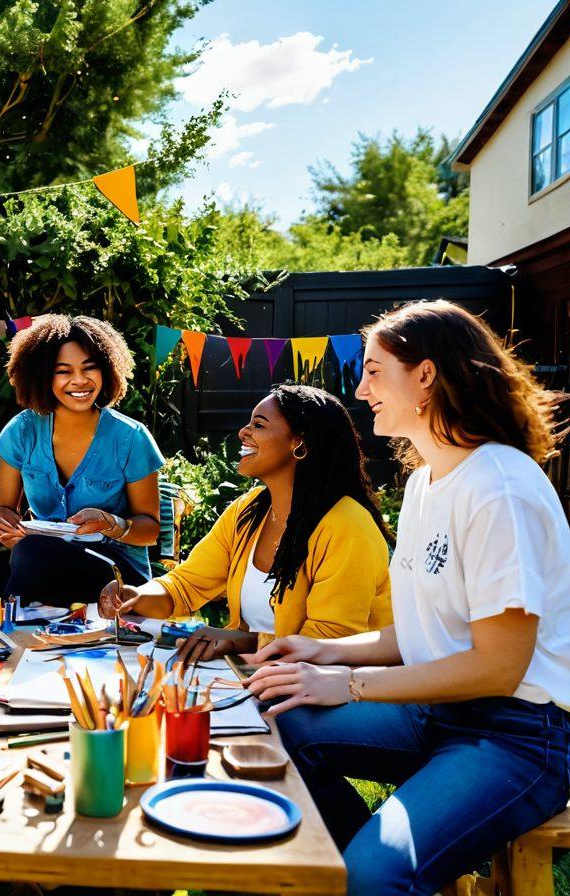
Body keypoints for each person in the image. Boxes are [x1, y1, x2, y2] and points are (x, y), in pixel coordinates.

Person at [244, 300, 570, 895]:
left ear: (425, 376)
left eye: (374, 371)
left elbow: (499, 667)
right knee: (281, 726)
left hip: (518, 735)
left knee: (378, 871)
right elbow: (421, 636)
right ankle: (351, 872)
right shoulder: (424, 481)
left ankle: (373, 873)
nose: (361, 387)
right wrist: (320, 653)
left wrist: (346, 684)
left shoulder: (499, 486)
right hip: (435, 712)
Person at [99, 384, 394, 652]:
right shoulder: (249, 510)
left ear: (299, 442)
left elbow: (330, 640)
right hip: (263, 677)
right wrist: (137, 594)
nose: (243, 432)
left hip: (341, 693)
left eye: (259, 424)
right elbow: (184, 586)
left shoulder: (348, 523)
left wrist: (246, 642)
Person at [0, 315, 163, 606]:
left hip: (115, 570)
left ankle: (12, 637)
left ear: (106, 371)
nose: (79, 380)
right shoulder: (22, 431)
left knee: (32, 554)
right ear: (42, 376)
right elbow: (1, 509)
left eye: (90, 368)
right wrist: (2, 524)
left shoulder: (131, 437)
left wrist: (109, 523)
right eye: (63, 371)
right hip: (38, 560)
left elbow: (150, 530)